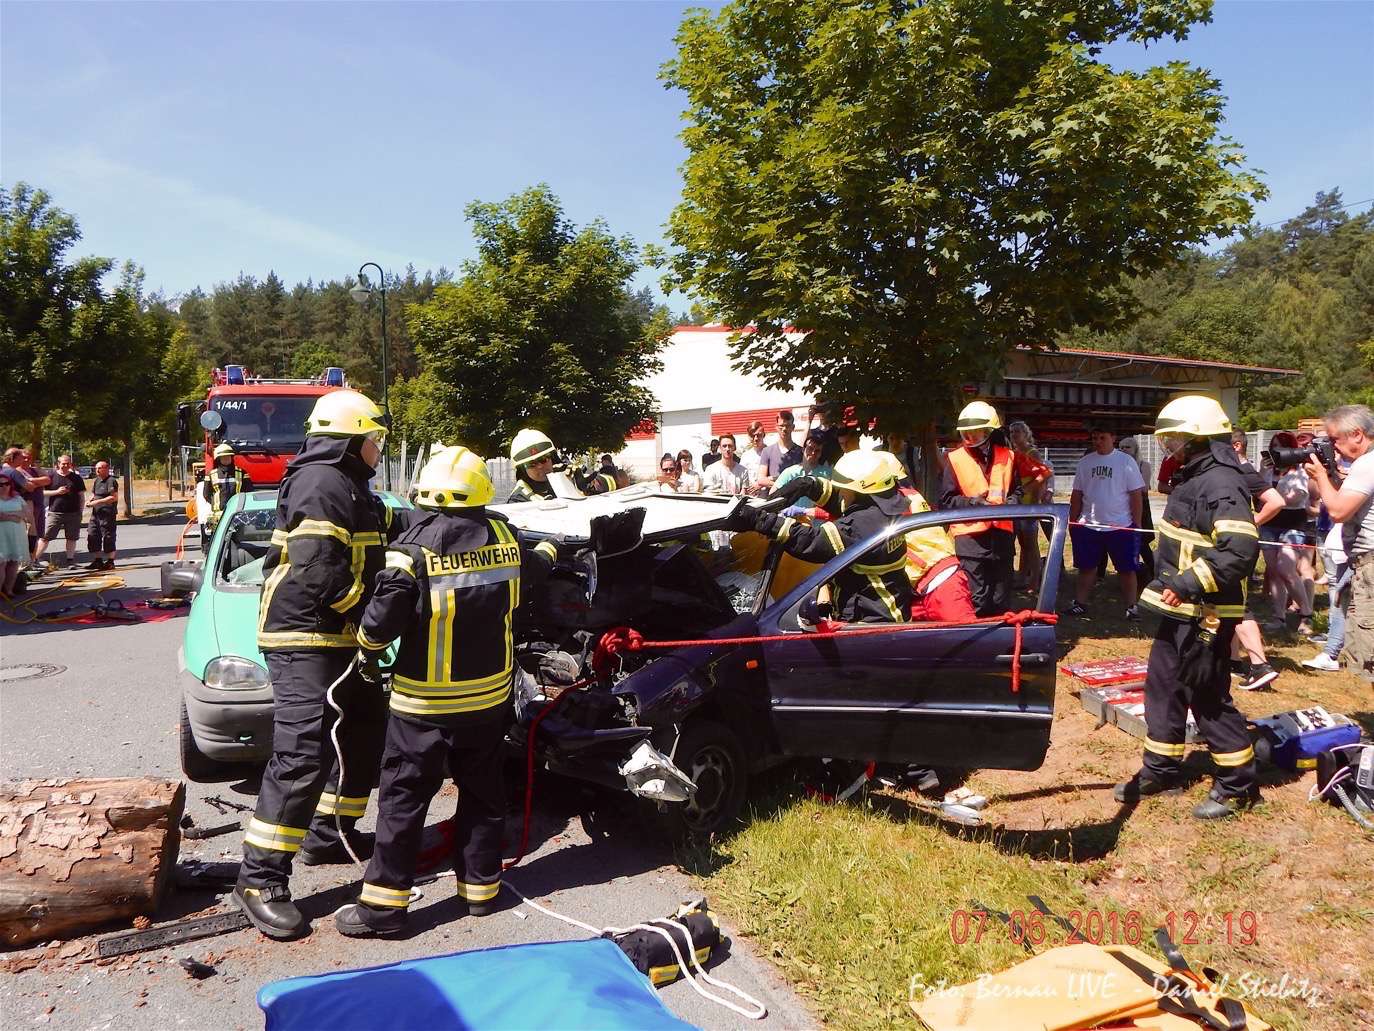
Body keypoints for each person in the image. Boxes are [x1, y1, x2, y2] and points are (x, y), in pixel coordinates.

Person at [334, 446, 557, 938]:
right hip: (488, 703)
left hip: (423, 706)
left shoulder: (411, 551)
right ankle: (480, 890)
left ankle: (384, 909)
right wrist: (552, 551)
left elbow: (378, 627)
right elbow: (535, 569)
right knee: (482, 794)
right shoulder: (505, 536)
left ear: (424, 491)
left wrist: (366, 649)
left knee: (403, 801)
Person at [234, 389, 401, 940]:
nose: (378, 449)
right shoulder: (321, 482)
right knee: (302, 752)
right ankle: (260, 879)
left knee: (362, 733)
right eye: (374, 439)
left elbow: (385, 531)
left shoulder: (349, 484)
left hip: (338, 635)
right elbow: (317, 570)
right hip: (303, 634)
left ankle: (329, 834)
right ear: (352, 440)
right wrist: (368, 616)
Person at [1117, 395, 1261, 820]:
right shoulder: (1194, 476)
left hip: (1207, 613)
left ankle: (1238, 786)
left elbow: (1238, 551)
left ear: (1200, 439)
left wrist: (1185, 584)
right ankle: (1161, 769)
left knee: (1207, 694)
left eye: (1175, 438)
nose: (1169, 446)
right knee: (1164, 688)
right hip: (1180, 609)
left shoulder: (1221, 483)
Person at [730, 449, 912, 623]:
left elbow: (810, 542)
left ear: (858, 490)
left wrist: (759, 520)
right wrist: (808, 485)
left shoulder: (862, 525)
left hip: (872, 626)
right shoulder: (882, 509)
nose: (840, 491)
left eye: (843, 487)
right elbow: (840, 500)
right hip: (889, 618)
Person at [1303, 403, 1374, 688]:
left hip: (1370, 565)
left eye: (1334, 439)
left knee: (1370, 650)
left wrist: (1320, 476)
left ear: (1357, 434)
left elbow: (1338, 511)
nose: (1332, 446)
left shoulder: (1366, 464)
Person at [940, 401, 1021, 616]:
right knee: (976, 598)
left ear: (989, 431)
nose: (970, 437)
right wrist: (972, 503)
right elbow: (946, 500)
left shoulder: (1008, 456)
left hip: (1002, 538)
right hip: (971, 541)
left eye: (975, 432)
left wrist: (1012, 502)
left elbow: (1017, 490)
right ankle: (975, 635)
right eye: (966, 433)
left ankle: (1001, 634)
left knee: (1001, 599)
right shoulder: (955, 459)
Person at [1228, 430, 1287, 691]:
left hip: (1239, 544)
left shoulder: (1245, 471)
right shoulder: (1234, 471)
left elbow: (1276, 501)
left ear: (1236, 446)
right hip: (1232, 542)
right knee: (1226, 602)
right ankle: (1233, 660)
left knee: (1237, 603)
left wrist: (1252, 522)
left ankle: (1260, 665)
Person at [1067, 427, 1146, 620]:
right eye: (1095, 438)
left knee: (1126, 569)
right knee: (1086, 568)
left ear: (1113, 437)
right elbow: (1077, 493)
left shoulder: (1126, 462)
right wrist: (1073, 521)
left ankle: (1131, 607)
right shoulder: (1085, 462)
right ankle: (1080, 603)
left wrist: (1136, 523)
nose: (1098, 442)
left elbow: (1136, 495)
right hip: (1089, 524)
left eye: (1102, 437)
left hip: (1120, 525)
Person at [1305, 455, 1352, 672]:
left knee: (1343, 597)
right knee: (1341, 596)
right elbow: (1320, 497)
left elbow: (1336, 509)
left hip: (1357, 547)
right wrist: (1324, 474)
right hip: (1343, 543)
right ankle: (1332, 651)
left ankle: (1332, 652)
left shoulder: (1364, 469)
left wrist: (1326, 476)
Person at [1007, 421, 1053, 591]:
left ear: (1026, 434)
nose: (1014, 435)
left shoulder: (1032, 453)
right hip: (1018, 504)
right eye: (1012, 432)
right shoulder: (1014, 453)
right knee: (1023, 544)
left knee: (1031, 544)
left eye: (1017, 431)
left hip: (1029, 504)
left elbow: (1042, 477)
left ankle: (1035, 580)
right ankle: (1022, 577)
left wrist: (1035, 501)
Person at [199, 442, 254, 552]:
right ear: (218, 459)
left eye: (228, 457)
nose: (226, 459)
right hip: (217, 515)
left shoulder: (242, 473)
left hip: (237, 514)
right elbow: (206, 494)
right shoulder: (211, 475)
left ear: (232, 457)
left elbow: (248, 492)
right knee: (214, 542)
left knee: (236, 542)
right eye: (223, 457)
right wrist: (216, 504)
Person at [33, 455, 84, 569]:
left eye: (67, 463)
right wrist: (56, 492)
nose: (65, 465)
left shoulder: (76, 478)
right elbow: (41, 492)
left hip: (73, 513)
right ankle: (34, 560)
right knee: (45, 537)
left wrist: (80, 511)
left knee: (71, 537)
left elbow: (81, 496)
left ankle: (70, 561)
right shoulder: (51, 476)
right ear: (58, 464)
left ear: (70, 464)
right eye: (63, 463)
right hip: (55, 512)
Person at [1117, 437, 1155, 583]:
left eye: (1127, 447)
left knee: (1142, 542)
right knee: (1126, 542)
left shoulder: (1144, 465)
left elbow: (1143, 488)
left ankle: (1153, 571)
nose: (1123, 450)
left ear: (1135, 449)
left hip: (1140, 506)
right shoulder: (1118, 465)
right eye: (1121, 447)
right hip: (1123, 506)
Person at [774, 430, 835, 511]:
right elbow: (773, 496)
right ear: (803, 450)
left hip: (816, 517)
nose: (813, 453)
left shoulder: (828, 473)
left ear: (821, 453)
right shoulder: (790, 472)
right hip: (792, 517)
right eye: (810, 448)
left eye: (817, 451)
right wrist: (788, 510)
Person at [756, 410, 803, 491]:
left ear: (793, 427)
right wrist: (781, 486)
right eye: (781, 426)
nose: (784, 429)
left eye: (787, 426)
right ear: (776, 427)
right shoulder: (767, 451)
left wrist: (773, 480)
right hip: (773, 497)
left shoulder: (801, 452)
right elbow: (761, 479)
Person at [507, 428, 558, 503]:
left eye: (543, 459)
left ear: (553, 459)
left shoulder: (568, 481)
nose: (540, 466)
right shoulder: (517, 501)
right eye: (531, 464)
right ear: (522, 470)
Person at [85, 461, 119, 570]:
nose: (97, 470)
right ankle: (98, 560)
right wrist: (90, 500)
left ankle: (110, 561)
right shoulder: (97, 480)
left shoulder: (111, 481)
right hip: (96, 514)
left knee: (108, 537)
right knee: (92, 534)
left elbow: (113, 497)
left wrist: (97, 502)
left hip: (107, 514)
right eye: (96, 468)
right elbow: (94, 494)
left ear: (106, 468)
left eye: (99, 468)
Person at [0, 473, 28, 598]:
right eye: (0, 484)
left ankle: (9, 590)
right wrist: (14, 515)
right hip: (1, 535)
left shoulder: (17, 498)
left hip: (16, 534)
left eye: (6, 484)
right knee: (1, 563)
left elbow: (26, 513)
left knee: (13, 562)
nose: (4, 486)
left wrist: (6, 515)